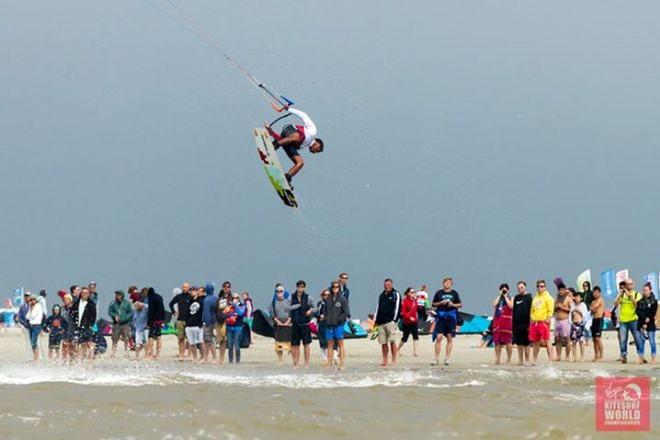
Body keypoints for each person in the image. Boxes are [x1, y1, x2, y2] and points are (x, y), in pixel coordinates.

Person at [264, 106, 324, 186]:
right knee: (296, 138)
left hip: (287, 139)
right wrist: (289, 109)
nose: (315, 152)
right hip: (289, 129)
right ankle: (273, 146)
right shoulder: (313, 132)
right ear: (318, 144)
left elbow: (283, 140)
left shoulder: (301, 146)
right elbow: (304, 115)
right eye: (318, 150)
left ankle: (286, 178)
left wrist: (271, 131)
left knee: (300, 162)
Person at [431, 277, 462, 366]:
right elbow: (433, 304)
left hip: (451, 317)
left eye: (449, 283)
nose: (447, 284)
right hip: (441, 316)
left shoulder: (454, 293)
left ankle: (447, 358)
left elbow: (460, 304)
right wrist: (441, 303)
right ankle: (436, 358)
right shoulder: (439, 293)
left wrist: (452, 304)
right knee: (439, 337)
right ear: (443, 283)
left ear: (451, 284)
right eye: (446, 282)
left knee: (449, 337)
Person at [615, 279, 643, 364]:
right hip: (623, 320)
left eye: (630, 284)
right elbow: (616, 304)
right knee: (623, 339)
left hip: (634, 319)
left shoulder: (636, 294)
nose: (629, 286)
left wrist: (630, 296)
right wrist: (620, 295)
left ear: (633, 285)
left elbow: (637, 304)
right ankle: (623, 355)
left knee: (637, 338)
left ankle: (640, 355)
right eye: (627, 284)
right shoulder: (622, 295)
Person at [374, 279, 401, 367]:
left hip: (390, 321)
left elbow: (398, 307)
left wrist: (395, 320)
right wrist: (376, 321)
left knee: (392, 341)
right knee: (383, 342)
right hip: (381, 322)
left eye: (388, 284)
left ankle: (394, 359)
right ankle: (385, 359)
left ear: (391, 284)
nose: (387, 286)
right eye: (385, 284)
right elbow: (378, 308)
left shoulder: (395, 294)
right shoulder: (381, 295)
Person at [323, 282, 350, 369]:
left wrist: (340, 319)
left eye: (337, 287)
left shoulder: (343, 299)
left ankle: (342, 364)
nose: (335, 288)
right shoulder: (328, 299)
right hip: (329, 325)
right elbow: (325, 311)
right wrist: (326, 319)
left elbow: (346, 312)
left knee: (340, 343)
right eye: (334, 287)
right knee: (329, 344)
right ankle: (330, 364)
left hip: (339, 325)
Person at [290, 280, 314, 368]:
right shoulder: (292, 297)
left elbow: (315, 308)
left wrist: (310, 311)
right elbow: (287, 308)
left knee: (306, 344)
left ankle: (307, 363)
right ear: (297, 287)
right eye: (299, 286)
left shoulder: (308, 297)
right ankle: (296, 363)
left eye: (302, 286)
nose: (301, 288)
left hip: (305, 323)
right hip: (295, 323)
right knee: (295, 345)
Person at [530, 280, 554, 365]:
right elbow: (532, 310)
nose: (540, 288)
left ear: (545, 287)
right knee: (535, 342)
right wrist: (532, 318)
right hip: (535, 322)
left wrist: (548, 318)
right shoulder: (535, 297)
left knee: (547, 340)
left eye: (542, 286)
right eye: (538, 286)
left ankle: (550, 360)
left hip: (543, 321)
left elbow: (550, 310)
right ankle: (534, 360)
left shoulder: (548, 297)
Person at [70, 287, 97, 360]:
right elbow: (71, 314)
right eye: (82, 293)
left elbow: (94, 316)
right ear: (80, 294)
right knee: (77, 344)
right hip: (76, 327)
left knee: (88, 344)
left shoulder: (91, 304)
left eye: (86, 293)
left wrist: (90, 325)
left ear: (88, 294)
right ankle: (79, 360)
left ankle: (89, 363)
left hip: (87, 327)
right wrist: (72, 325)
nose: (84, 294)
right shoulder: (76, 303)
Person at [269, 286, 293, 364]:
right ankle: (280, 359)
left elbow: (291, 313)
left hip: (288, 325)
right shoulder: (273, 302)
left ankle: (293, 359)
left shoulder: (289, 302)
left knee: (290, 343)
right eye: (278, 291)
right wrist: (279, 322)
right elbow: (272, 314)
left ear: (284, 292)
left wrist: (287, 322)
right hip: (278, 325)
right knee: (279, 343)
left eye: (281, 291)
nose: (279, 293)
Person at [492, 283, 513, 365]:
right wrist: (500, 295)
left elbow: (511, 306)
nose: (504, 290)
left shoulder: (511, 297)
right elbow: (494, 304)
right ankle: (497, 359)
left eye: (505, 289)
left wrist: (505, 297)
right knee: (497, 341)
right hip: (497, 321)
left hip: (507, 321)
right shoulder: (498, 298)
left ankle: (509, 359)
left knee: (508, 341)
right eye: (502, 289)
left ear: (508, 290)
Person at [169, 283, 192, 360]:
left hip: (189, 320)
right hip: (180, 320)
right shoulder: (179, 296)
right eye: (183, 287)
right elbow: (171, 304)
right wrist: (173, 312)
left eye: (186, 287)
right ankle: (181, 355)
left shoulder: (191, 297)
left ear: (188, 288)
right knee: (181, 338)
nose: (184, 288)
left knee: (189, 339)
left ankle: (189, 355)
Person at [108, 290, 133, 358]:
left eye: (119, 295)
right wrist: (114, 316)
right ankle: (113, 353)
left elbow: (130, 312)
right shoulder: (113, 303)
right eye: (116, 294)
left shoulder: (127, 303)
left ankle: (127, 352)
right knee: (114, 338)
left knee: (126, 338)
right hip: (116, 324)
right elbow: (109, 312)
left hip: (125, 324)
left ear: (122, 295)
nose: (117, 296)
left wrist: (125, 318)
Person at [637, 282, 657, 364]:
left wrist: (648, 319)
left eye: (647, 290)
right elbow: (638, 311)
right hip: (641, 323)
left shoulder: (654, 301)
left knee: (652, 341)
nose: (645, 292)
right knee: (641, 341)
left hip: (650, 323)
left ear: (650, 290)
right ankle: (641, 357)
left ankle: (653, 357)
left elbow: (653, 312)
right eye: (644, 290)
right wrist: (644, 318)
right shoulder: (640, 301)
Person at [512, 281, 532, 365]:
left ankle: (527, 360)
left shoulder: (529, 297)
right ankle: (520, 360)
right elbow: (514, 310)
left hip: (526, 323)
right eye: (518, 288)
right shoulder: (516, 298)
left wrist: (530, 324)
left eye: (521, 287)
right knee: (519, 343)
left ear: (525, 287)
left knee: (526, 343)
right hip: (517, 323)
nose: (520, 289)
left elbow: (531, 311)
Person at [553, 283, 573, 362]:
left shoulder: (568, 299)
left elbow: (571, 309)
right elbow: (553, 310)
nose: (560, 291)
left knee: (566, 339)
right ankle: (558, 356)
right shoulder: (557, 298)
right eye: (559, 290)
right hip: (557, 320)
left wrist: (562, 307)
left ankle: (567, 356)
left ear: (565, 290)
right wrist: (556, 307)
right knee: (557, 339)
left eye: (562, 290)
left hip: (565, 320)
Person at [225, 292, 246, 364]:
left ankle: (237, 361)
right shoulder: (228, 305)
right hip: (229, 327)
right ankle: (230, 361)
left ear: (239, 299)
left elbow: (240, 313)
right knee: (230, 345)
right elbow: (226, 313)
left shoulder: (242, 305)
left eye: (237, 298)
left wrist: (235, 306)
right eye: (233, 298)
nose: (235, 299)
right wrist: (231, 309)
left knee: (237, 345)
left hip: (238, 327)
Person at [398, 287, 419, 357]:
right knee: (405, 338)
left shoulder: (415, 301)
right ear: (408, 293)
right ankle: (397, 349)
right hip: (407, 322)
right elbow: (403, 313)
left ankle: (415, 352)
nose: (413, 294)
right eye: (412, 292)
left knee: (415, 336)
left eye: (414, 292)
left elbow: (416, 310)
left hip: (414, 321)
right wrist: (410, 317)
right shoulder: (405, 301)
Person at [185, 288, 204, 362]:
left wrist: (201, 323)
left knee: (200, 342)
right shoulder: (189, 301)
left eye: (193, 291)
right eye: (190, 292)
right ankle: (195, 358)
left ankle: (202, 357)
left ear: (196, 292)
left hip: (198, 325)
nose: (192, 293)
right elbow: (187, 313)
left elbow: (202, 312)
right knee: (192, 343)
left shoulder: (201, 301)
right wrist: (186, 324)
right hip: (189, 325)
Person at [146, 287, 165, 360]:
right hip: (160, 320)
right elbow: (163, 308)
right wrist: (163, 319)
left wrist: (148, 322)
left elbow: (150, 311)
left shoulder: (151, 298)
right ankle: (158, 353)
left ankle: (150, 354)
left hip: (153, 320)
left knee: (151, 336)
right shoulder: (159, 297)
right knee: (158, 336)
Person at [201, 283, 218, 363]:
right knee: (208, 340)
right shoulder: (216, 298)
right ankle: (206, 358)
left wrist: (206, 322)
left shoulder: (207, 300)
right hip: (215, 321)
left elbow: (206, 312)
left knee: (209, 341)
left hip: (208, 323)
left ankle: (214, 358)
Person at [26, 294, 44, 362]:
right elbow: (27, 316)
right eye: (31, 299)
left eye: (33, 299)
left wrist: (31, 309)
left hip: (36, 325)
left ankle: (37, 358)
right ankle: (35, 357)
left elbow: (32, 316)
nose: (32, 301)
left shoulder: (38, 306)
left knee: (34, 341)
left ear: (36, 300)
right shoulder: (31, 307)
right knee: (32, 342)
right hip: (31, 326)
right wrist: (30, 308)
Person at [589, 286, 605, 362]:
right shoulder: (593, 302)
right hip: (594, 320)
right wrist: (592, 308)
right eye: (594, 292)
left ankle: (601, 356)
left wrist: (592, 308)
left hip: (599, 319)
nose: (595, 294)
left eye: (596, 292)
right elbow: (591, 311)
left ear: (599, 293)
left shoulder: (600, 300)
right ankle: (596, 355)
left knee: (598, 338)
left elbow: (594, 308)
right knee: (594, 339)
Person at [315, 289, 330, 360]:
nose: (326, 296)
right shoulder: (320, 304)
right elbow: (315, 313)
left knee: (329, 339)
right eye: (325, 295)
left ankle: (330, 355)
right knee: (321, 339)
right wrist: (319, 316)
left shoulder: (332, 304)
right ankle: (324, 356)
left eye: (328, 295)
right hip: (321, 323)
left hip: (329, 323)